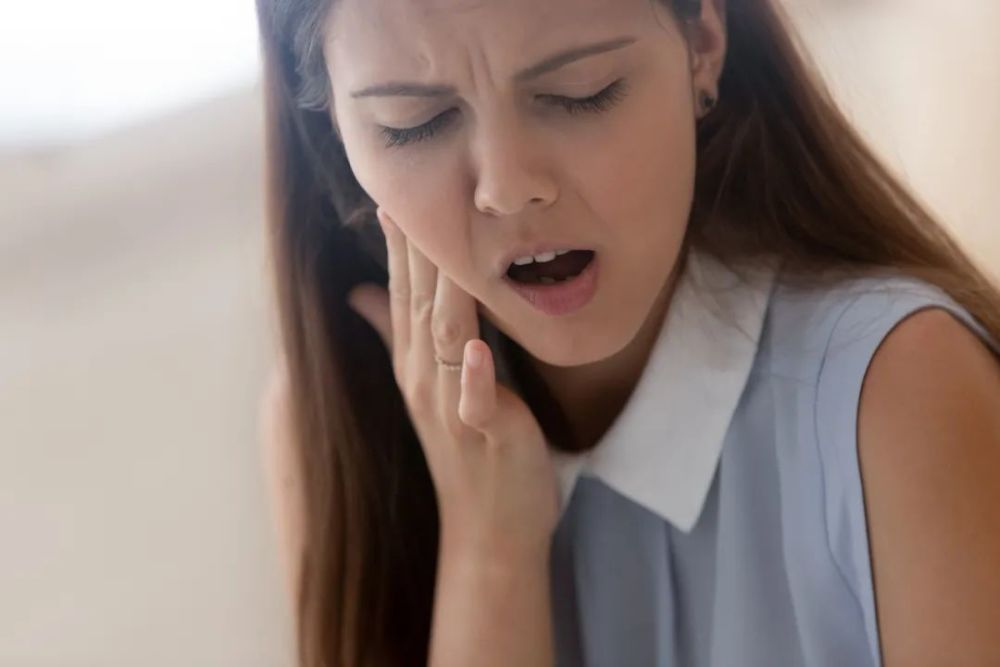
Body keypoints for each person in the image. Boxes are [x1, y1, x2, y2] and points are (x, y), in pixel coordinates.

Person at [254, 0, 1000, 665]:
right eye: (413, 123)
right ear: (335, 132)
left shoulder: (897, 393)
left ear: (702, 42)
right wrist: (489, 556)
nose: (509, 186)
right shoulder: (330, 417)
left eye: (579, 92)